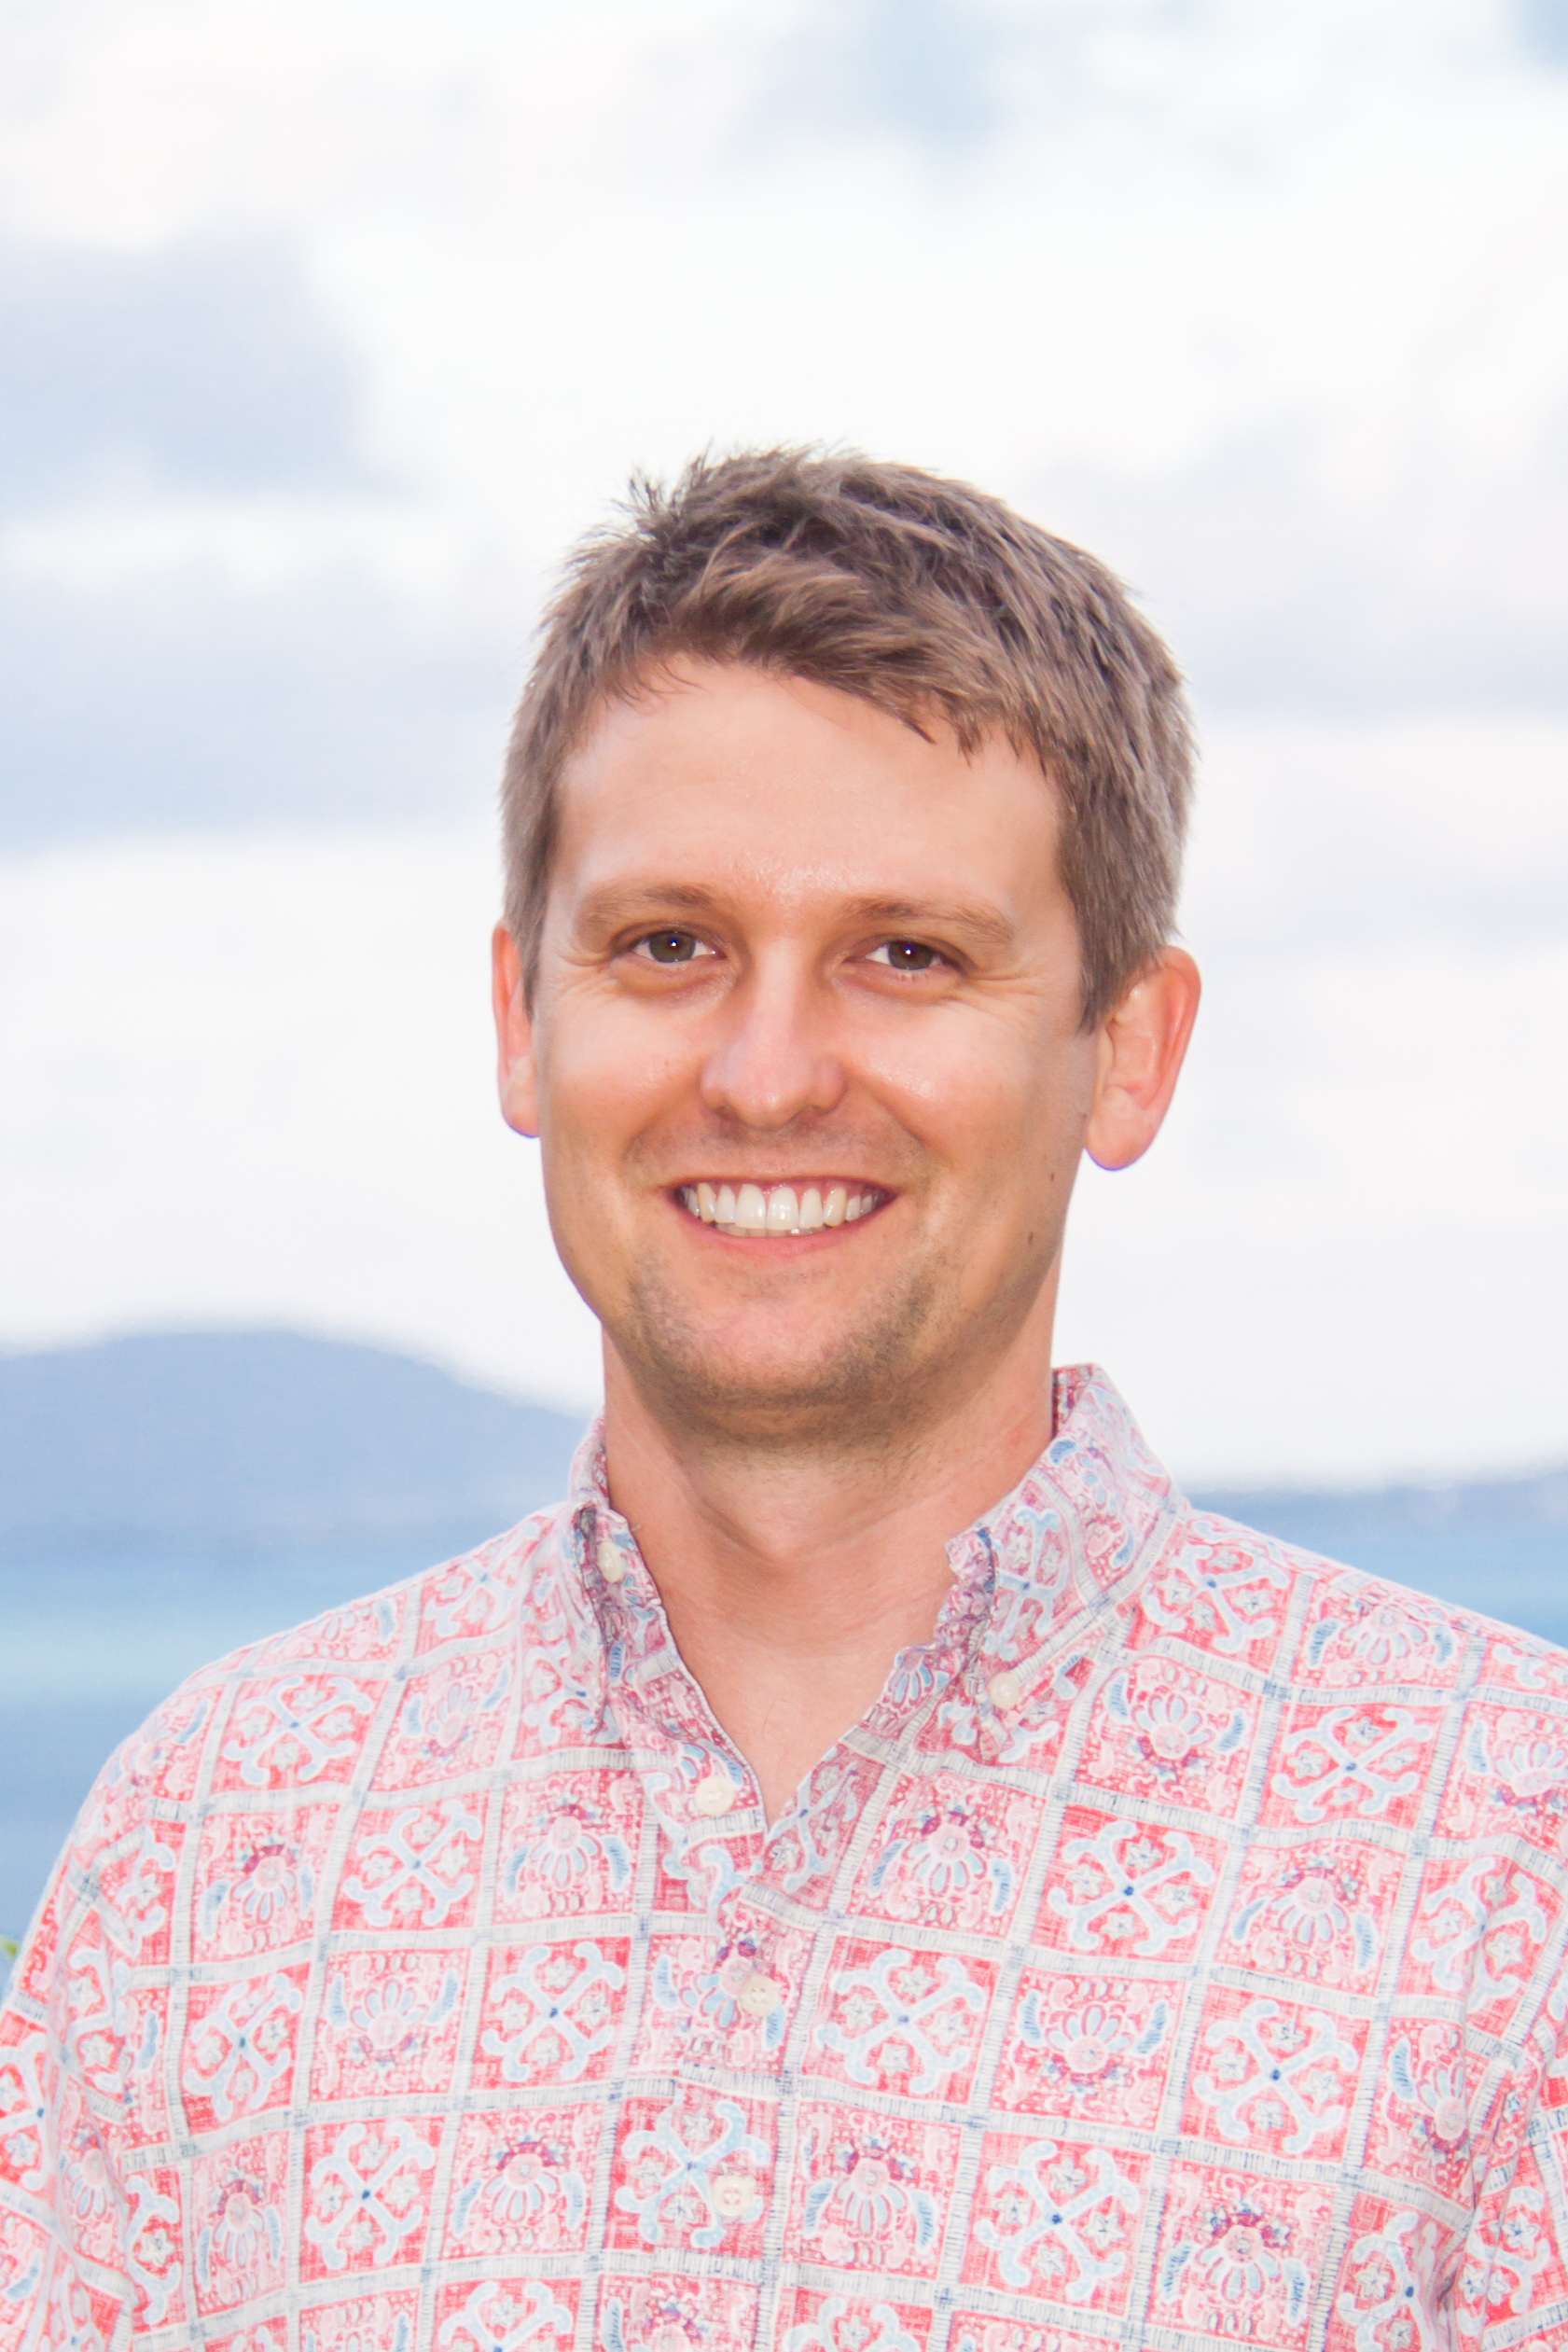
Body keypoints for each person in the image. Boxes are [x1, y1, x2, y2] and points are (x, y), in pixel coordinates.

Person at [2, 450, 1564, 2352]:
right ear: (522, 1018)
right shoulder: (212, 1852)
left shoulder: (1505, 1860)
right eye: (669, 944)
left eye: (906, 955)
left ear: (1127, 1049)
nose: (764, 1073)